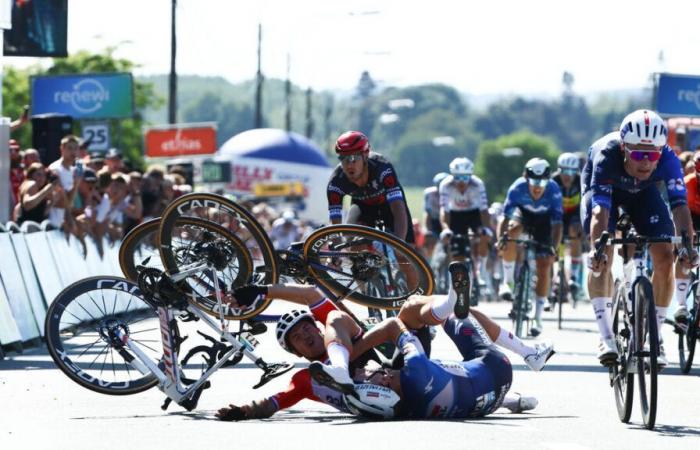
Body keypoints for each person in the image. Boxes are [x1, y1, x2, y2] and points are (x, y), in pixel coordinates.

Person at [215, 265, 553, 421]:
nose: (307, 336)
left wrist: (263, 291)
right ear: (296, 353)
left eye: (307, 328)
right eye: (298, 340)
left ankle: (520, 353)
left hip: (407, 366)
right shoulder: (307, 380)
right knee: (347, 318)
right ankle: (515, 371)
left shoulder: (347, 334)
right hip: (411, 384)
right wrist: (244, 411)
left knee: (439, 310)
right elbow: (276, 402)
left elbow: (311, 295)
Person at [583, 109, 698, 366]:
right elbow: (600, 209)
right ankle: (605, 337)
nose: (645, 162)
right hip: (606, 194)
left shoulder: (668, 159)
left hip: (644, 193)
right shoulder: (606, 156)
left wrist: (687, 248)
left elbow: (680, 206)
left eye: (652, 154)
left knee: (666, 255)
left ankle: (655, 338)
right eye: (637, 154)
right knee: (604, 253)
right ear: (624, 148)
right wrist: (597, 248)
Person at [497, 158, 563, 336]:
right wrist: (501, 240)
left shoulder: (554, 190)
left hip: (544, 221)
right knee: (512, 231)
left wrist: (553, 247)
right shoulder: (517, 187)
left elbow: (557, 225)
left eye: (542, 182)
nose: (538, 186)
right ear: (526, 178)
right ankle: (508, 281)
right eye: (534, 181)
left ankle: (538, 317)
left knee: (545, 264)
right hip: (522, 216)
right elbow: (505, 218)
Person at [326, 131, 414, 243]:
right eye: (343, 158)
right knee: (352, 244)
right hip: (362, 206)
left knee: (406, 253)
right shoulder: (336, 182)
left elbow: (398, 209)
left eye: (353, 158)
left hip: (389, 204)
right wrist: (336, 251)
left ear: (365, 155)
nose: (349, 164)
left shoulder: (382, 168)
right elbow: (335, 225)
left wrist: (400, 244)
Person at [439, 157, 492, 286]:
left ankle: (482, 269)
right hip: (455, 215)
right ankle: (459, 280)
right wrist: (445, 228)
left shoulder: (478, 184)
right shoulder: (445, 185)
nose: (461, 182)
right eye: (457, 178)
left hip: (474, 214)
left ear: (471, 176)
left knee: (484, 235)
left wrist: (486, 228)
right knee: (457, 253)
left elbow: (484, 210)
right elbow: (444, 211)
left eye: (465, 178)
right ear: (452, 176)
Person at [552, 152, 584, 295]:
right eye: (564, 170)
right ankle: (557, 273)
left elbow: (585, 204)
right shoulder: (553, 181)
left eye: (572, 171)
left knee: (574, 232)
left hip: (574, 214)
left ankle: (574, 276)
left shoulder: (581, 181)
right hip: (557, 213)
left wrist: (583, 224)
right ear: (559, 170)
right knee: (555, 237)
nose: (567, 175)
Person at [676, 151, 700, 324]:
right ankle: (681, 304)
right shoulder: (688, 184)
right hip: (690, 216)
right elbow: (680, 214)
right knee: (684, 251)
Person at [47, 135, 80, 232]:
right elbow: (64, 201)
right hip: (52, 221)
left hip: (63, 222)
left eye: (75, 148)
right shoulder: (55, 169)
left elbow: (71, 202)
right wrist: (77, 183)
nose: (73, 152)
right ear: (62, 149)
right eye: (69, 148)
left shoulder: (73, 171)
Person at [422, 172, 449, 258]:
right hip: (434, 221)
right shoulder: (429, 193)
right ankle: (429, 262)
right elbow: (427, 214)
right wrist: (428, 231)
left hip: (448, 221)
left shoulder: (452, 193)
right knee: (430, 239)